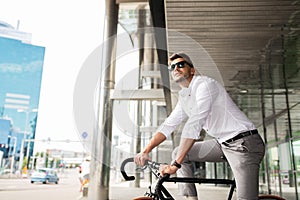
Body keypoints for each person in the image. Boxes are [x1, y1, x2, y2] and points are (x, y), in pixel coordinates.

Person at [134, 52, 265, 200]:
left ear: (192, 70)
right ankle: (190, 198)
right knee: (179, 152)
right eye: (172, 67)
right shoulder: (185, 96)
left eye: (181, 64)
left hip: (244, 144)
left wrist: (175, 165)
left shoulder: (205, 86)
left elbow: (194, 125)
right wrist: (145, 151)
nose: (176, 68)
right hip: (222, 144)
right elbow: (168, 126)